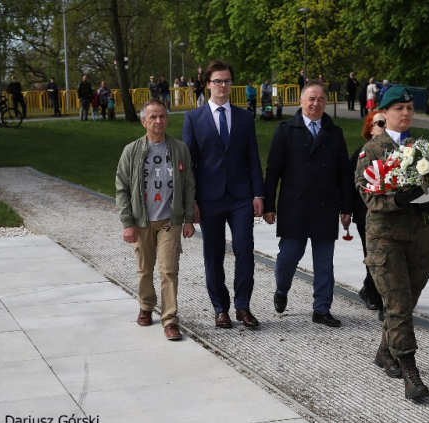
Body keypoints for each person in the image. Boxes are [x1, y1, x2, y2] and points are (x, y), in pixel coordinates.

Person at [354, 86, 429, 400]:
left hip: (419, 237)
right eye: (399, 107)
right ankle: (410, 371)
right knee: (397, 304)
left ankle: (385, 350)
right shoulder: (372, 150)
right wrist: (398, 199)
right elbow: (367, 194)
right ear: (384, 113)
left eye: (410, 107)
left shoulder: (422, 148)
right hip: (385, 239)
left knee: (409, 299)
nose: (406, 113)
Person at [182, 59, 265, 329]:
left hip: (241, 197)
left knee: (244, 250)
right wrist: (191, 200)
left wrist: (258, 194)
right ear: (208, 84)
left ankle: (243, 306)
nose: (222, 85)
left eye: (227, 81)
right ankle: (221, 308)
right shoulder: (193, 118)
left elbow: (253, 158)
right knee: (213, 254)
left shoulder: (244, 117)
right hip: (209, 198)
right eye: (217, 81)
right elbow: (189, 164)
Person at [263, 82, 353, 328]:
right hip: (294, 205)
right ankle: (282, 289)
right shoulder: (285, 131)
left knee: (324, 261)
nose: (316, 103)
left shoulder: (335, 133)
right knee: (288, 256)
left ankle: (321, 309)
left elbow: (344, 172)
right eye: (311, 98)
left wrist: (347, 207)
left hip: (325, 206)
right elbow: (273, 171)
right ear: (301, 101)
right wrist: (269, 205)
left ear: (326, 103)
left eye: (321, 99)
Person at [115, 100, 197, 341]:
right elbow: (121, 188)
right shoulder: (131, 151)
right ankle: (146, 305)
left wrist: (189, 219)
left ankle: (170, 321)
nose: (158, 121)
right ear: (143, 122)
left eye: (162, 116)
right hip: (141, 221)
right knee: (144, 269)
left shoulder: (180, 149)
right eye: (152, 117)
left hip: (169, 221)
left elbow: (189, 185)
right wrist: (127, 222)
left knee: (169, 271)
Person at [348, 112, 385, 312]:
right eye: (380, 123)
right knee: (372, 256)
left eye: (386, 123)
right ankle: (372, 293)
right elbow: (348, 183)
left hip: (388, 213)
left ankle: (371, 289)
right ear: (370, 128)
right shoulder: (361, 153)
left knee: (385, 255)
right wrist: (347, 210)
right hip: (366, 214)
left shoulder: (396, 151)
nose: (384, 127)